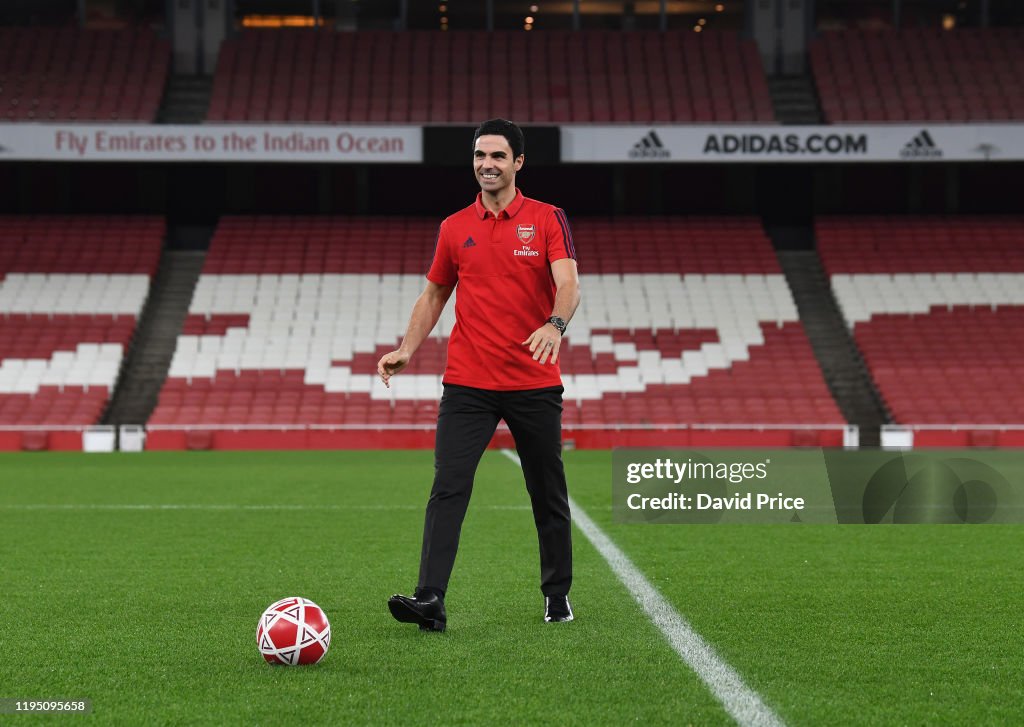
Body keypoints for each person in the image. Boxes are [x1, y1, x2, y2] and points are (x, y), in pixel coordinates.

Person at [378, 118, 581, 632]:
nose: (486, 164)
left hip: (534, 382)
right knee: (448, 486)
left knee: (546, 491)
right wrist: (407, 348)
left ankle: (557, 595)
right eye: (479, 156)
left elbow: (569, 283)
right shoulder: (453, 227)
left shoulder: (547, 218)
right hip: (468, 383)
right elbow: (434, 294)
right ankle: (430, 598)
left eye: (497, 156)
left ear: (518, 163)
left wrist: (555, 325)